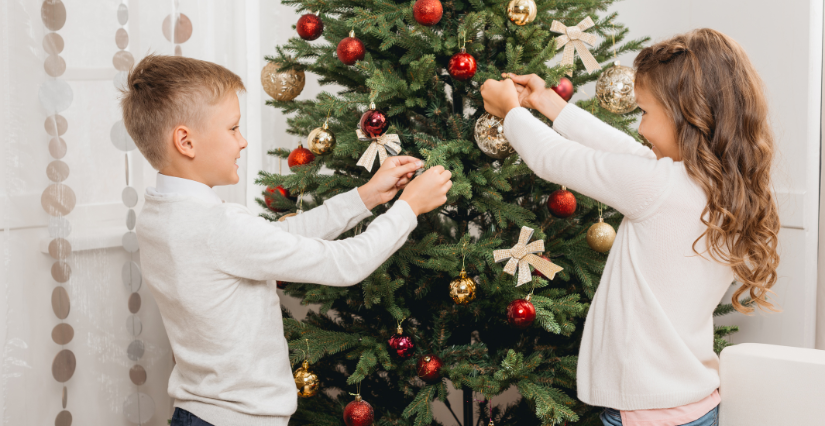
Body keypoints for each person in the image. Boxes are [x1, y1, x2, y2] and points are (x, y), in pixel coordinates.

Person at [120, 54, 453, 426]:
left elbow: (277, 238)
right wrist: (409, 208)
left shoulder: (159, 215)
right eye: (232, 129)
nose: (243, 141)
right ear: (186, 141)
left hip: (196, 413)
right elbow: (347, 263)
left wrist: (367, 196)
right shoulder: (218, 225)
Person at [479, 29, 779, 426]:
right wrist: (548, 103)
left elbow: (551, 157)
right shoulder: (719, 184)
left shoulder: (659, 186)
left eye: (646, 112)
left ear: (688, 118)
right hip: (693, 404)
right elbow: (624, 151)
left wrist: (512, 112)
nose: (640, 127)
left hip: (647, 414)